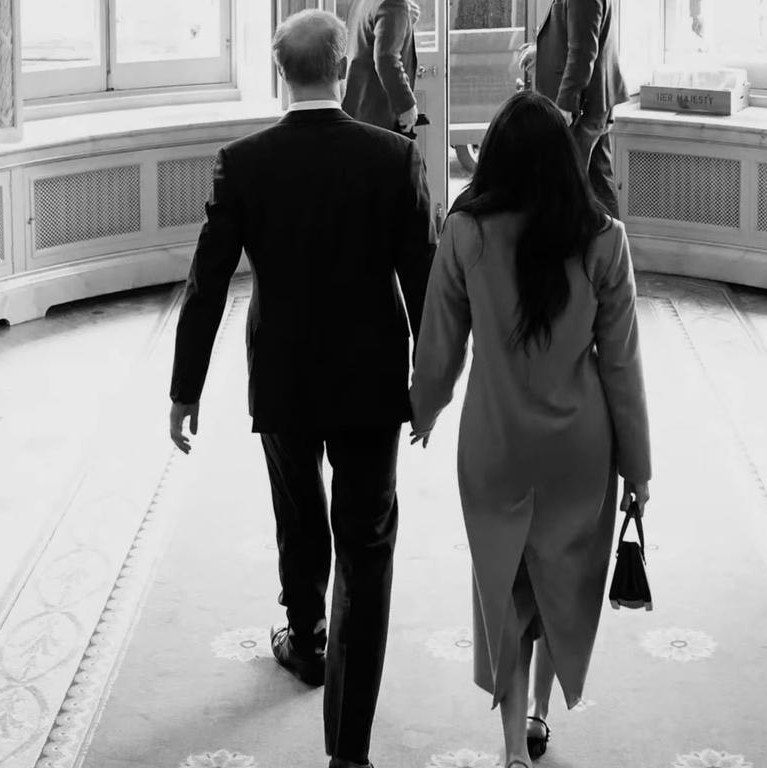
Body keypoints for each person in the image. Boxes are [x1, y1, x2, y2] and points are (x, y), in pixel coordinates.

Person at [167, 10, 434, 768]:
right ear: (345, 66)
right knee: (369, 542)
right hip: (372, 377)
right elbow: (425, 278)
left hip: (282, 372)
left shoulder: (242, 161)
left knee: (296, 506)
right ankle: (349, 751)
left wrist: (184, 389)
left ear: (277, 70)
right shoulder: (392, 157)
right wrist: (430, 381)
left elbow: (205, 283)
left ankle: (306, 635)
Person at [408, 91, 651, 768]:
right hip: (579, 448)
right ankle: (543, 714)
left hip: (495, 444)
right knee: (561, 582)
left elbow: (439, 343)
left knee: (505, 586)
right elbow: (623, 366)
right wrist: (639, 467)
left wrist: (424, 407)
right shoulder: (604, 240)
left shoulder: (465, 233)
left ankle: (514, 748)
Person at [521, 0, 629, 217]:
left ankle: (591, 247)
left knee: (569, 189)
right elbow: (577, 35)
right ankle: (613, 247)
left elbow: (583, 51)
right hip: (591, 103)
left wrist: (565, 106)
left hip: (582, 108)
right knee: (597, 183)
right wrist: (541, 52)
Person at [342, 0, 420, 133]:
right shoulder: (393, 4)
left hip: (357, 106)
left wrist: (404, 19)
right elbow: (386, 59)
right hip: (378, 114)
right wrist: (406, 105)